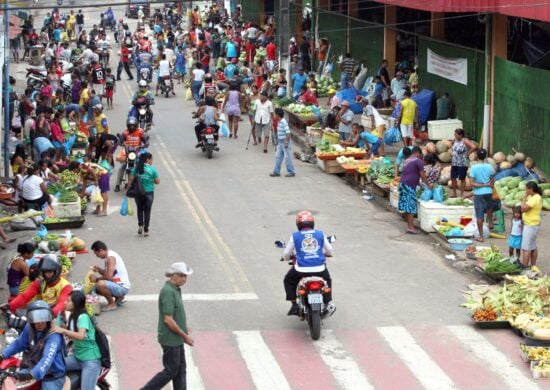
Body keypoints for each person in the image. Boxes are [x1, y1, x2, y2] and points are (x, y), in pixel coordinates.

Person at [141, 262, 194, 390]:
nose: (184, 279)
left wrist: (183, 326)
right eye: (181, 276)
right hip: (171, 339)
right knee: (171, 370)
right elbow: (168, 320)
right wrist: (184, 336)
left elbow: (176, 313)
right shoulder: (168, 292)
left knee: (180, 369)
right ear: (173, 275)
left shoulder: (176, 289)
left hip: (177, 338)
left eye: (185, 276)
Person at [0, 301, 66, 389]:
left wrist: (31, 375)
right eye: (36, 320)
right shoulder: (29, 328)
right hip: (32, 369)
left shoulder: (54, 335)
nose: (40, 323)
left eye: (43, 319)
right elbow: (18, 344)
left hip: (51, 376)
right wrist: (2, 355)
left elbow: (46, 359)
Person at [283, 211, 335, 317]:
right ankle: (327, 302)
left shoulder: (295, 236)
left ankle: (294, 305)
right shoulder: (320, 234)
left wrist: (286, 258)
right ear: (312, 223)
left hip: (301, 270)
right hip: (320, 269)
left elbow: (287, 253)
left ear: (298, 224)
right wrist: (327, 254)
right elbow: (329, 250)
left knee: (288, 280)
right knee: (327, 280)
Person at [52, 291, 101, 390]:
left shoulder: (83, 317)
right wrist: (59, 324)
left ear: (76, 304)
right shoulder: (72, 316)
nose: (65, 303)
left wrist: (62, 330)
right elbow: (70, 331)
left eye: (68, 301)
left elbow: (80, 335)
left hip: (90, 361)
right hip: (77, 358)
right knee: (53, 365)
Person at [8, 255, 72, 317]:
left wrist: (51, 313)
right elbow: (24, 296)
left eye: (49, 272)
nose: (46, 275)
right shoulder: (40, 283)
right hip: (43, 312)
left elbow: (62, 304)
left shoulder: (66, 286)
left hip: (57, 315)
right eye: (44, 272)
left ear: (57, 271)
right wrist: (10, 306)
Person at [89, 241, 131, 311]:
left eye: (96, 254)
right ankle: (119, 297)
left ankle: (112, 304)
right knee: (95, 288)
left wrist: (96, 279)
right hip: (117, 283)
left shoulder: (110, 258)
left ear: (101, 251)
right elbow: (108, 274)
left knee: (100, 284)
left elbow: (108, 277)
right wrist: (98, 269)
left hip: (122, 287)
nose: (97, 256)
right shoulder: (109, 255)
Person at [398, 146, 432, 234]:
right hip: (409, 185)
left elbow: (410, 173)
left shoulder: (407, 160)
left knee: (406, 205)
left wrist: (419, 183)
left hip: (403, 184)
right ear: (418, 153)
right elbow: (422, 175)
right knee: (411, 206)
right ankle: (410, 227)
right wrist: (428, 185)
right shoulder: (418, 161)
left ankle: (409, 224)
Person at [128, 153, 159, 236]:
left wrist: (130, 186)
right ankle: (146, 230)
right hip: (149, 192)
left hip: (138, 192)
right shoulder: (152, 169)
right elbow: (157, 182)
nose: (152, 161)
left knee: (140, 209)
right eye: (151, 159)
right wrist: (150, 180)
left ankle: (140, 225)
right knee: (147, 211)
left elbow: (131, 177)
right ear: (147, 160)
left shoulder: (137, 168)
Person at [469, 149, 495, 242]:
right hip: (488, 192)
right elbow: (492, 178)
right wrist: (489, 185)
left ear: (476, 156)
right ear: (485, 157)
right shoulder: (489, 166)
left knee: (479, 215)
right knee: (489, 207)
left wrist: (482, 185)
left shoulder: (474, 168)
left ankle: (481, 236)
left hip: (478, 194)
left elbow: (472, 183)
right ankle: (491, 222)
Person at [114, 117, 147, 192]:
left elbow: (145, 139)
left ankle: (144, 182)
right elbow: (120, 140)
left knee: (143, 164)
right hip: (127, 151)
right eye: (130, 125)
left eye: (133, 125)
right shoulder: (125, 132)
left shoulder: (140, 132)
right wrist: (119, 142)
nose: (131, 127)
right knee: (122, 166)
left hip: (138, 151)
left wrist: (145, 143)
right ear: (128, 125)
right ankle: (117, 184)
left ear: (136, 125)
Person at [520, 182, 543, 268]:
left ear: (531, 189)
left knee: (526, 248)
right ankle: (533, 266)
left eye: (526, 189)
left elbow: (523, 209)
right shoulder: (535, 197)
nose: (525, 191)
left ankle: (524, 267)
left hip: (531, 225)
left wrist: (524, 199)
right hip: (533, 224)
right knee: (532, 246)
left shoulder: (535, 198)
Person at [450, 128, 477, 198]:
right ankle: (454, 193)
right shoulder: (455, 140)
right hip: (454, 162)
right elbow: (451, 144)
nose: (455, 136)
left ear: (461, 135)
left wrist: (468, 153)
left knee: (462, 178)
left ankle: (461, 194)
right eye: (454, 134)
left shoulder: (465, 140)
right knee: (453, 177)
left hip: (463, 162)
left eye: (456, 135)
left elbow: (474, 147)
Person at [270, 108, 295, 178]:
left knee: (287, 157)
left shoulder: (283, 122)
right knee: (278, 157)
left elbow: (288, 133)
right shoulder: (279, 122)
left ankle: (291, 171)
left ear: (278, 115)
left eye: (275, 114)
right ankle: (276, 171)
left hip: (284, 142)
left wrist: (286, 143)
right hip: (280, 142)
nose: (274, 115)